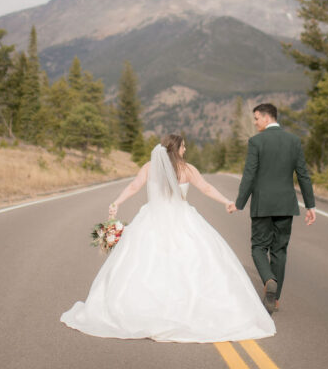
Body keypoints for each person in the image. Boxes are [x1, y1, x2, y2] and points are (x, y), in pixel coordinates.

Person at [61, 134, 275, 342]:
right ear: (177, 149)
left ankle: (143, 307)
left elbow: (134, 186)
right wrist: (226, 201)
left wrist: (117, 202)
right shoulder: (187, 169)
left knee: (145, 263)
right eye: (183, 146)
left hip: (151, 219)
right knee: (191, 262)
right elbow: (206, 188)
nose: (185, 150)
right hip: (183, 219)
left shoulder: (150, 167)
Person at [235, 103, 316, 313]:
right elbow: (303, 174)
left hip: (262, 204)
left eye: (256, 118)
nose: (255, 123)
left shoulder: (256, 141)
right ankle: (276, 298)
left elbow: (249, 174)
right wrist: (310, 205)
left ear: (266, 117)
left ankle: (268, 280)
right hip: (286, 204)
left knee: (258, 247)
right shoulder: (293, 141)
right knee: (279, 250)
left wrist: (239, 203)